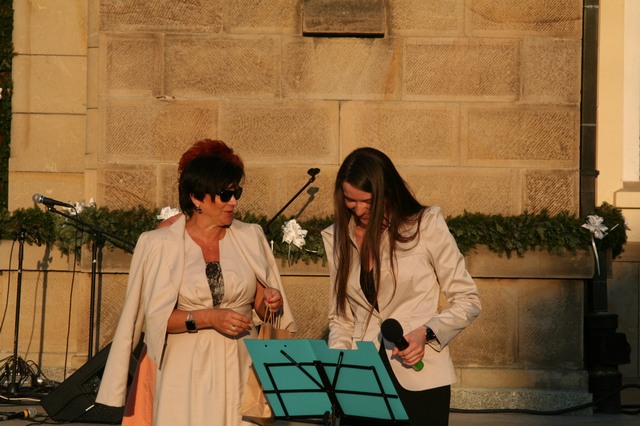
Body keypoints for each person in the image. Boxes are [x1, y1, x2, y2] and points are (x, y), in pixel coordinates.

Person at [96, 140, 298, 426]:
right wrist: (208, 317)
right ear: (197, 198)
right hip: (185, 369)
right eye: (225, 195)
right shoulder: (159, 243)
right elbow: (156, 320)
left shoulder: (250, 236)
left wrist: (270, 302)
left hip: (242, 365)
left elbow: (264, 310)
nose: (233, 202)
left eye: (236, 193)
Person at [321, 147, 481, 426]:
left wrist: (425, 333)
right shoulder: (335, 236)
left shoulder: (425, 224)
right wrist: (340, 372)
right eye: (350, 200)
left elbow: (468, 300)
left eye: (367, 201)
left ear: (387, 192)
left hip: (419, 375)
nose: (358, 209)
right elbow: (341, 318)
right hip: (362, 377)